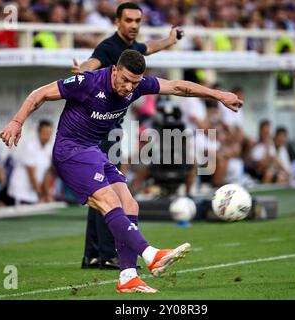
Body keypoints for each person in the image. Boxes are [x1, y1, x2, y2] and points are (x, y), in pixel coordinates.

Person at [0, 49, 242, 293]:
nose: (128, 87)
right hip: (70, 151)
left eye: (134, 82)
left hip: (93, 151)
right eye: (124, 79)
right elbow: (39, 94)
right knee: (109, 201)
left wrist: (219, 95)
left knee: (130, 205)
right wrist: (17, 122)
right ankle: (150, 254)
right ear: (114, 70)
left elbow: (179, 87)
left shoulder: (138, 86)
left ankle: (127, 276)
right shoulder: (88, 82)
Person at [71, 2, 184, 271]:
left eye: (138, 20)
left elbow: (150, 48)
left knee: (98, 192)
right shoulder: (109, 47)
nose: (134, 25)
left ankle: (94, 255)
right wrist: (84, 71)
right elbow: (93, 61)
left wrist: (169, 39)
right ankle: (107, 254)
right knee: (109, 192)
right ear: (117, 22)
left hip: (111, 128)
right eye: (129, 20)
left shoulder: (131, 51)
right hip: (99, 131)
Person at [6, 120, 54, 205]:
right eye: (45, 133)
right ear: (39, 132)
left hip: (33, 194)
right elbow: (31, 175)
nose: (47, 136)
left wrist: (48, 194)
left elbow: (47, 174)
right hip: (20, 193)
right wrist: (40, 195)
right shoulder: (30, 146)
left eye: (49, 133)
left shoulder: (49, 148)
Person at [249, 120, 289, 184]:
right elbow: (261, 164)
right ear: (260, 131)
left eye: (268, 132)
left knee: (282, 178)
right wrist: (267, 147)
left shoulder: (271, 144)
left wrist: (286, 172)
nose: (267, 134)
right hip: (256, 172)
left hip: (268, 170)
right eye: (265, 132)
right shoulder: (256, 144)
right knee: (269, 174)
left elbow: (275, 160)